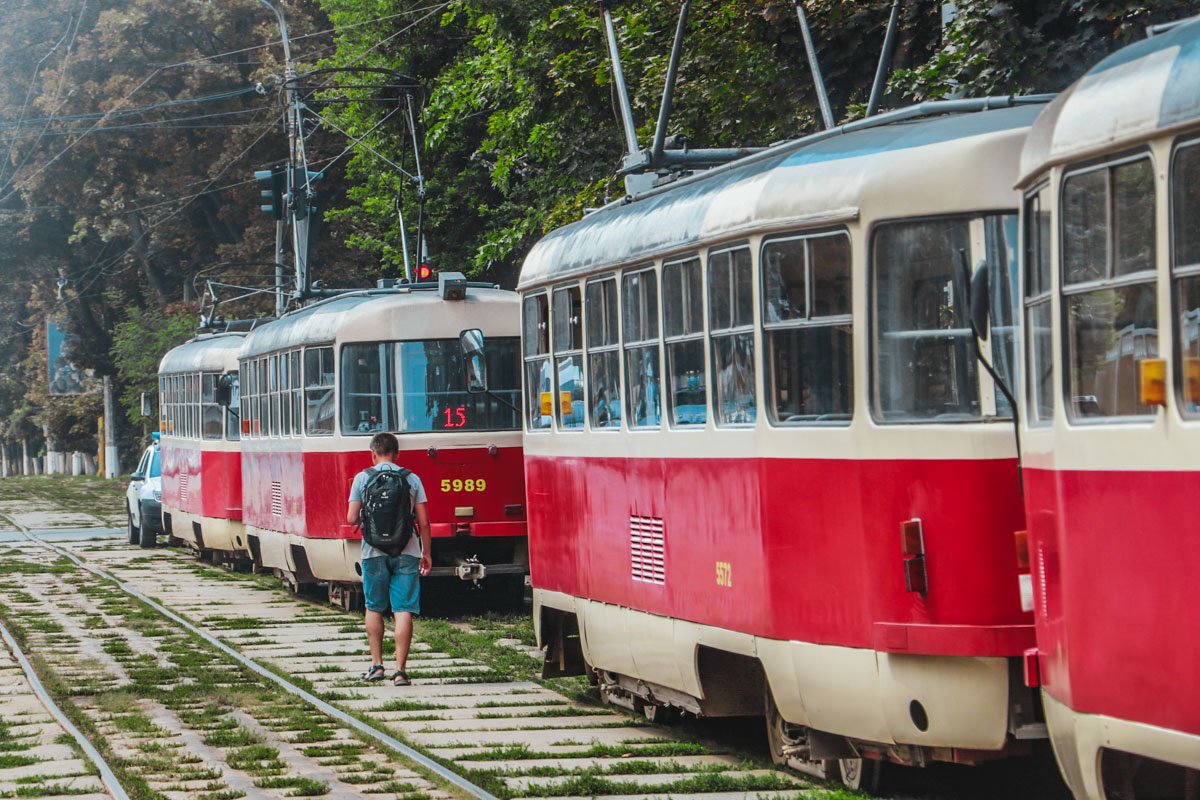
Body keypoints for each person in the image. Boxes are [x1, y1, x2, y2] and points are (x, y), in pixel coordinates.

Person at [346, 432, 431, 686]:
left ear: (373, 453)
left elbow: (351, 518)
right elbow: (424, 522)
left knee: (374, 607)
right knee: (403, 609)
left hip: (373, 552)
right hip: (407, 550)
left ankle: (377, 666)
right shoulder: (412, 478)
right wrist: (426, 552)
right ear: (397, 454)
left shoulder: (363, 478)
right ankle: (400, 671)